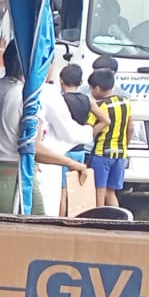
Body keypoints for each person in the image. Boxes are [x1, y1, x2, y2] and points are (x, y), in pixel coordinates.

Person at [0, 42, 87, 215]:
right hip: (11, 182)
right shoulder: (28, 97)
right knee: (36, 230)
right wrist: (72, 163)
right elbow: (34, 147)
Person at [38, 67, 96, 215]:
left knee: (63, 193)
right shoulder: (50, 93)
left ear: (61, 80)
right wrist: (90, 131)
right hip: (58, 157)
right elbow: (69, 133)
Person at [88, 67, 132, 208]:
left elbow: (90, 129)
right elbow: (130, 128)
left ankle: (99, 219)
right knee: (111, 192)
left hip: (102, 153)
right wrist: (125, 145)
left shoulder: (99, 106)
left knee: (99, 192)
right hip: (121, 153)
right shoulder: (126, 102)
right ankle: (117, 218)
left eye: (91, 89)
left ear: (97, 88)